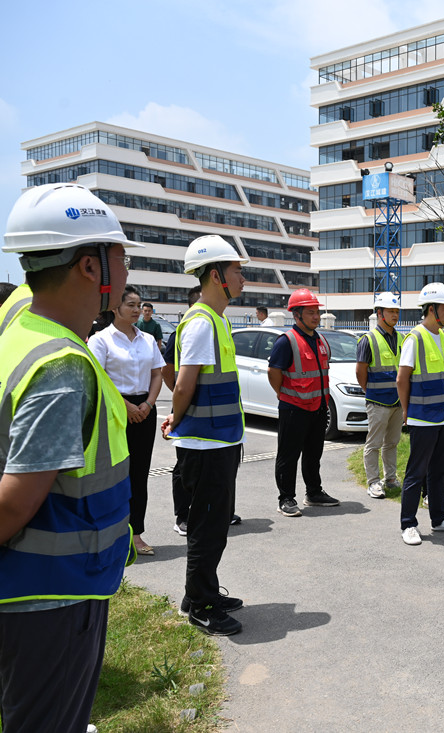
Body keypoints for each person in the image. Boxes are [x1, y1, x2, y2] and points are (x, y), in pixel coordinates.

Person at [0, 183, 139, 732]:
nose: (126, 269)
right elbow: (14, 504)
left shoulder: (20, 326)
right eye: (120, 255)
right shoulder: (61, 365)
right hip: (51, 595)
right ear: (89, 266)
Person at [164, 235, 248, 635]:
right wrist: (175, 418)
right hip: (205, 443)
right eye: (237, 270)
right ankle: (201, 605)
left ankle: (199, 592)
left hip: (220, 439)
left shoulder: (218, 320)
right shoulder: (201, 323)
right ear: (216, 276)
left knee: (213, 527)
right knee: (207, 529)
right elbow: (183, 385)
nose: (243, 277)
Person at [89, 285, 165, 556]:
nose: (137, 310)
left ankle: (136, 534)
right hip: (114, 409)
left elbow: (157, 374)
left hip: (145, 409)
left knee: (139, 474)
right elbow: (99, 379)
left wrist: (148, 404)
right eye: (130, 305)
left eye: (139, 305)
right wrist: (126, 406)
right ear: (115, 307)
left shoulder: (147, 339)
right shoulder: (101, 340)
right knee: (112, 474)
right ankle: (110, 534)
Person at [396, 282, 444, 545]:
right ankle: (408, 524)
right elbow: (402, 379)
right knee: (416, 472)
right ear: (431, 309)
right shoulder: (414, 339)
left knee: (439, 471)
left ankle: (440, 519)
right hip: (422, 417)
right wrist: (406, 411)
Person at [268, 288, 340, 517]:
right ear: (296, 315)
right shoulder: (286, 341)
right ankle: (286, 498)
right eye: (311, 312)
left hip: (318, 408)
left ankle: (314, 492)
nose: (316, 317)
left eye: (317, 312)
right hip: (294, 408)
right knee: (288, 456)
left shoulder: (320, 340)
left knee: (313, 454)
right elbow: (273, 372)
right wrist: (283, 394)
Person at [162, 285, 207, 536]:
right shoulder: (182, 332)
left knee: (208, 464)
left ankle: (209, 510)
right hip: (185, 407)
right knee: (185, 465)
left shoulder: (216, 327)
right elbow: (167, 370)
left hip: (209, 410)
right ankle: (183, 516)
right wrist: (179, 394)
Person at [357, 292, 405, 498]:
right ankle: (373, 482)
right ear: (379, 313)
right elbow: (360, 372)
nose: (395, 315)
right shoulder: (368, 340)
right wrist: (369, 390)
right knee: (374, 443)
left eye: (397, 311)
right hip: (377, 401)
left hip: (397, 401)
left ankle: (390, 479)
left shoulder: (402, 338)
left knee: (392, 443)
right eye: (391, 311)